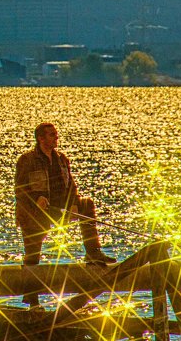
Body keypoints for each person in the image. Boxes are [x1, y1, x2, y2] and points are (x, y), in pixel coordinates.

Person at [15, 123, 113, 306]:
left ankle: (93, 252)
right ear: (41, 138)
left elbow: (71, 185)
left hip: (59, 207)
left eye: (56, 135)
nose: (56, 138)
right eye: (52, 135)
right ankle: (32, 298)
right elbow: (19, 190)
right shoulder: (27, 160)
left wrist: (74, 203)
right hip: (34, 212)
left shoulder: (61, 159)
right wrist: (37, 199)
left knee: (87, 204)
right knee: (32, 255)